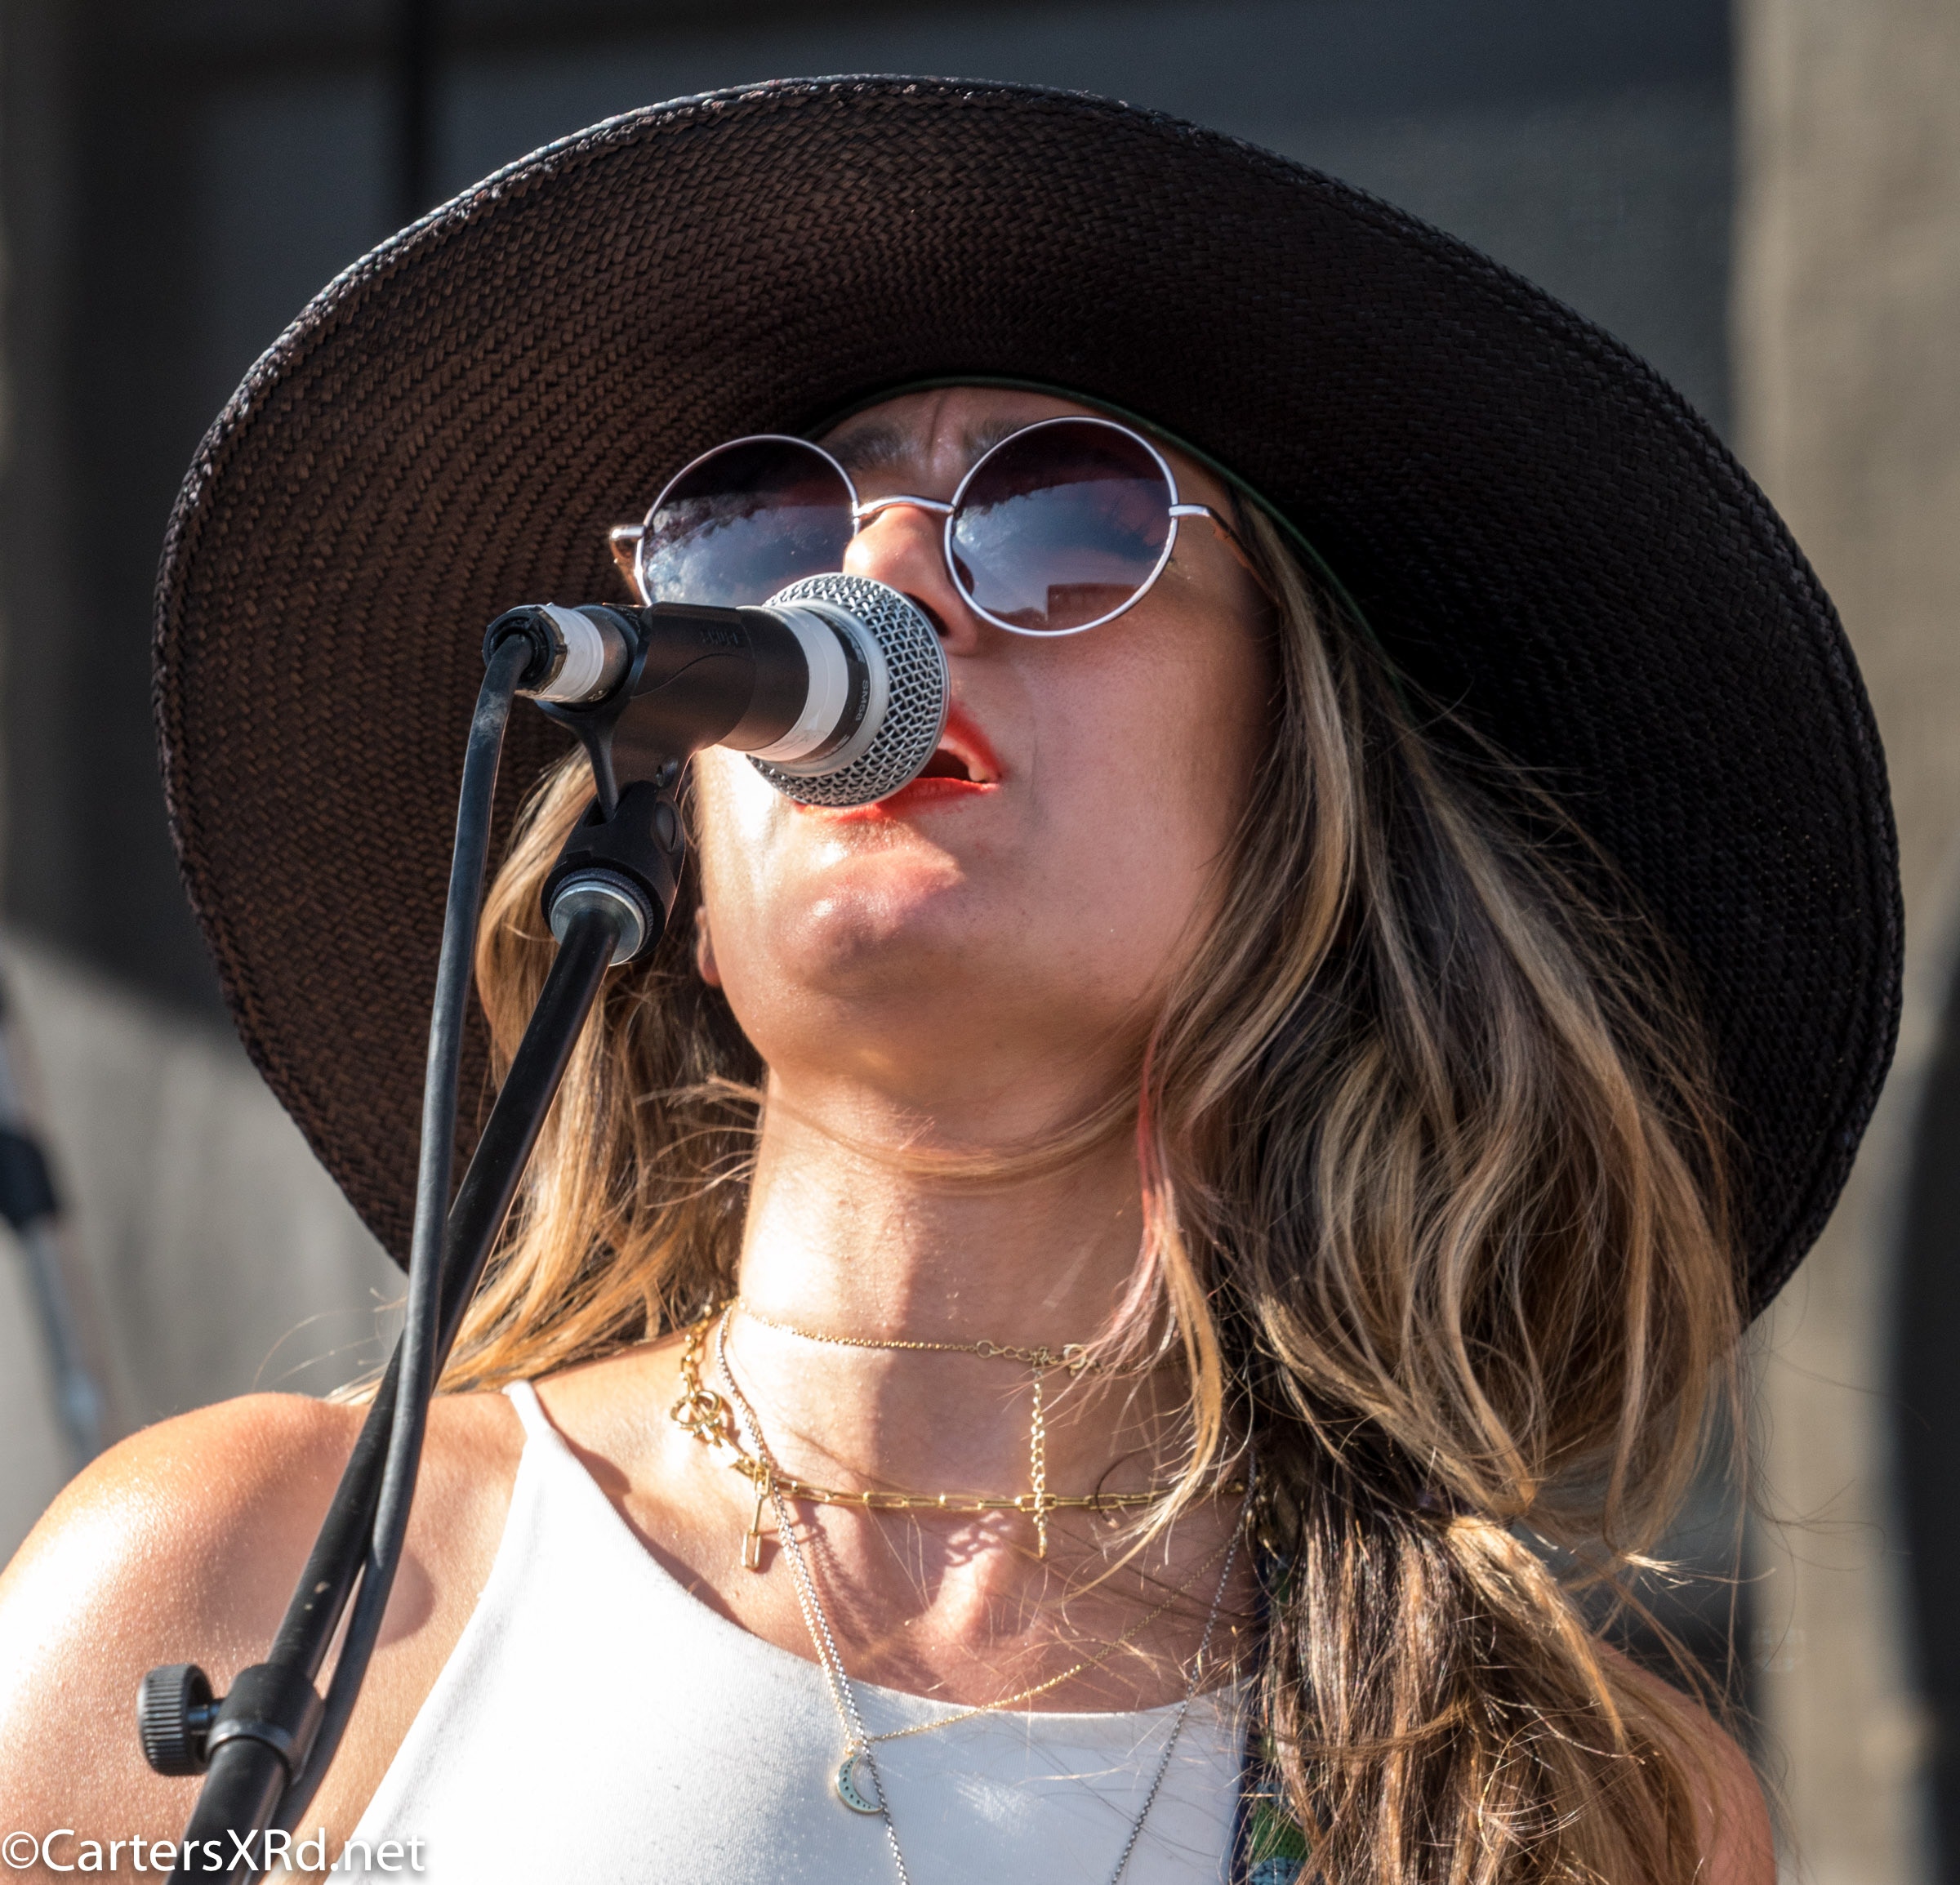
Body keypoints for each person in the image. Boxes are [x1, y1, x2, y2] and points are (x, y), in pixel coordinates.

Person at [0, 78, 1898, 1885]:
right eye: (769, 535)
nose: (880, 571)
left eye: (1068, 517)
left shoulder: (1558, 1797)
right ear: (683, 856)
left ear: (1302, 800)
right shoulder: (250, 1577)